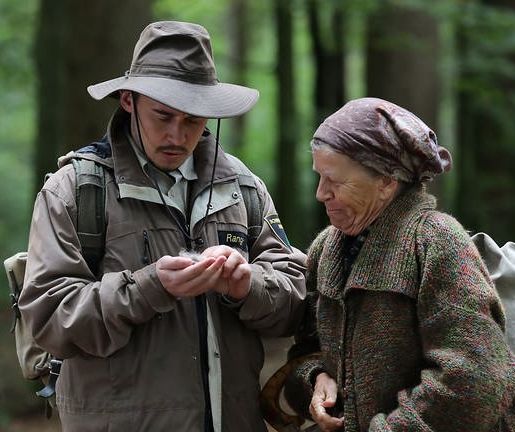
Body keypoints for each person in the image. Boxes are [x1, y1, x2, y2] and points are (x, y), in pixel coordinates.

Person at [18, 21, 307, 432]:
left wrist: (247, 287)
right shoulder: (75, 190)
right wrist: (150, 287)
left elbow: (298, 300)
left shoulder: (243, 188)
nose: (177, 135)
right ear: (128, 101)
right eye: (163, 116)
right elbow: (49, 320)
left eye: (192, 120)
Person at [282, 98, 515, 431]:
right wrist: (315, 381)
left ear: (387, 182)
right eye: (319, 177)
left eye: (335, 181)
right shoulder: (325, 249)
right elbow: (306, 352)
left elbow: (476, 378)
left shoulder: (437, 242)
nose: (320, 193)